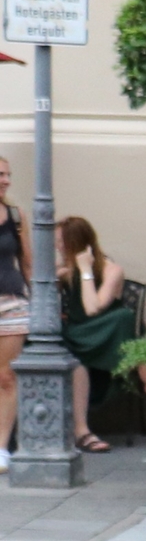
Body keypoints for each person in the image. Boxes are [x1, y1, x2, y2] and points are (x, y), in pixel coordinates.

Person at [53, 216, 134, 455]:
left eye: (61, 242)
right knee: (73, 360)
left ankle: (80, 431)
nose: (58, 247)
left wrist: (85, 269)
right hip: (76, 336)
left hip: (102, 336)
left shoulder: (112, 270)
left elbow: (92, 308)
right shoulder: (66, 271)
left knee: (123, 317)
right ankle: (79, 431)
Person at [0, 155, 26, 469]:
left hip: (11, 302)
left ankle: (2, 446)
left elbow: (29, 262)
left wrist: (44, 305)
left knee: (6, 377)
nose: (5, 180)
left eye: (7, 174)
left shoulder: (16, 216)